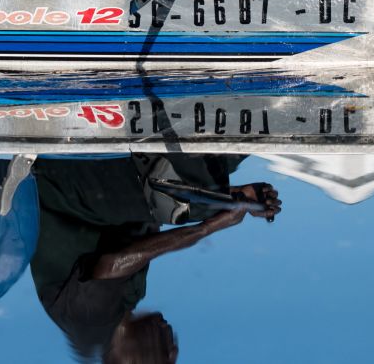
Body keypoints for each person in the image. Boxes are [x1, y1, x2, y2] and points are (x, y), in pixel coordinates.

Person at [28, 154, 281, 362]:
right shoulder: (128, 299)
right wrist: (236, 198)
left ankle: (173, 110)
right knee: (221, 159)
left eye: (166, 359)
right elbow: (151, 215)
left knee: (199, 201)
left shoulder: (90, 329)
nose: (173, 350)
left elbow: (111, 263)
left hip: (64, 183)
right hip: (91, 188)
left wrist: (208, 226)